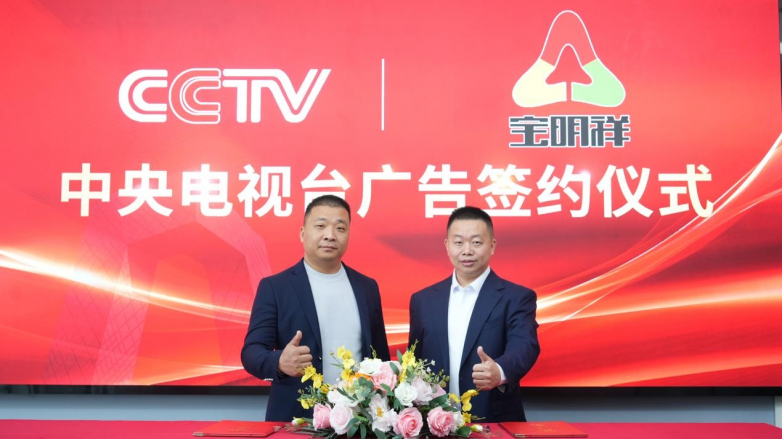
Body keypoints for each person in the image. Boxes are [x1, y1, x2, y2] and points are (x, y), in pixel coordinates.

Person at [242, 195, 390, 421]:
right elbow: (251, 352)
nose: (330, 235)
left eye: (340, 228)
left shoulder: (367, 287)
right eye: (320, 226)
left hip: (360, 421)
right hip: (297, 420)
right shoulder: (275, 287)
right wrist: (279, 362)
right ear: (303, 233)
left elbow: (380, 358)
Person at [408, 206, 540, 422]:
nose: (467, 250)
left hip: (493, 419)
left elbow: (525, 346)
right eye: (458, 242)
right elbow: (414, 362)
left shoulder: (517, 297)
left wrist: (499, 371)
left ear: (492, 245)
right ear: (447, 246)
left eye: (476, 242)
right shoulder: (423, 300)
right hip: (432, 421)